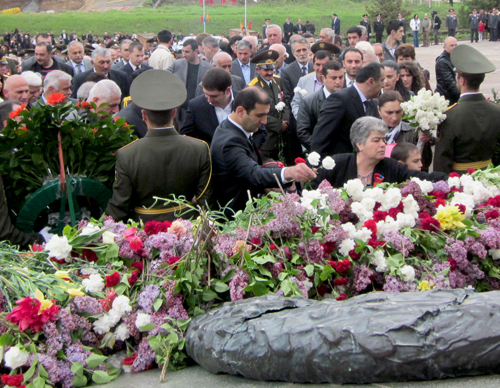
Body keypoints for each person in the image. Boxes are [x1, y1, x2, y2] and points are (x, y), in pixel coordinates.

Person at [106, 70, 212, 222]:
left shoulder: (127, 154)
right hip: (188, 228)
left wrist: (101, 229)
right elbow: (205, 201)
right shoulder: (199, 148)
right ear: (174, 113)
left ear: (143, 116)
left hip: (143, 231)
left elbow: (120, 204)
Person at [210, 87, 316, 218]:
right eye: (260, 115)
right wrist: (289, 172)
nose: (265, 121)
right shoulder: (230, 142)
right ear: (241, 111)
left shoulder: (231, 129)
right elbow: (253, 173)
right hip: (235, 219)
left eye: (266, 115)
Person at [312, 117, 446, 188]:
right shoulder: (337, 164)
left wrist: (449, 179)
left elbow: (418, 177)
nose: (383, 144)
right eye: (376, 140)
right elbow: (312, 189)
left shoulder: (391, 166)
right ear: (360, 144)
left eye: (384, 139)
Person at [434, 44, 500, 174]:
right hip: (491, 177)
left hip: (460, 181)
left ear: (462, 80)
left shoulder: (449, 115)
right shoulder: (496, 111)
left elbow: (442, 159)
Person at [311, 62, 384, 157]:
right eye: (382, 80)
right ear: (371, 82)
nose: (384, 84)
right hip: (341, 166)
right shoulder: (339, 100)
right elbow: (321, 139)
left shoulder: (372, 104)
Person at [248, 50, 290, 162]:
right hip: (266, 139)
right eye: (266, 70)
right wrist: (278, 124)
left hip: (283, 136)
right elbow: (256, 114)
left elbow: (285, 102)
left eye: (271, 69)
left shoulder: (278, 81)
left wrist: (285, 121)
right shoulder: (253, 88)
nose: (270, 73)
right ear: (258, 70)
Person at [296, 60, 344, 151]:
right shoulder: (309, 102)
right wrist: (319, 149)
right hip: (319, 154)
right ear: (323, 78)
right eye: (334, 78)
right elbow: (303, 132)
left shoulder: (350, 99)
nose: (338, 81)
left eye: (341, 77)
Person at [181, 68, 234, 145]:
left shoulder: (244, 101)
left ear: (228, 90)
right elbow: (186, 137)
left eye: (214, 96)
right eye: (206, 94)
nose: (209, 100)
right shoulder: (196, 106)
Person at [291, 47, 334, 118]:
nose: (321, 68)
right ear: (313, 65)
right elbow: (296, 103)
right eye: (318, 65)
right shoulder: (303, 80)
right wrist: (302, 120)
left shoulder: (337, 80)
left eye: (324, 65)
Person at [168, 39, 212, 106]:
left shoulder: (208, 67)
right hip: (181, 107)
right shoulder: (177, 64)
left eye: (187, 52)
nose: (184, 54)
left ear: (196, 51)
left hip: (199, 106)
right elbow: (164, 76)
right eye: (183, 51)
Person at [281, 38, 313, 103]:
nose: (302, 53)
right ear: (293, 53)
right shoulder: (287, 71)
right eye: (298, 51)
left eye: (304, 50)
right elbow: (288, 96)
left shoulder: (315, 68)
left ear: (309, 51)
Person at [435, 37, 459, 105]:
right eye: (451, 45)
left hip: (454, 97)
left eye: (456, 45)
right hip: (446, 100)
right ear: (444, 47)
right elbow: (450, 84)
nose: (454, 47)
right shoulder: (442, 62)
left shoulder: (455, 58)